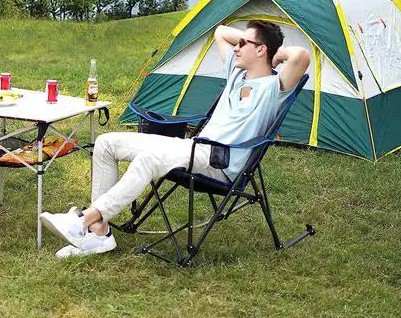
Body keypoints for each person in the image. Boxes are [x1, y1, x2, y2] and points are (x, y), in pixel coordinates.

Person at [40, 20, 310, 258]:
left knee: (149, 159)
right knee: (106, 143)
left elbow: (301, 55)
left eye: (243, 44)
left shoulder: (275, 87)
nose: (236, 48)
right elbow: (220, 32)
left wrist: (276, 55)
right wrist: (251, 41)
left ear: (261, 50)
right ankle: (99, 232)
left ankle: (82, 221)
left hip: (219, 161)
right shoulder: (236, 73)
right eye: (238, 44)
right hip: (193, 148)